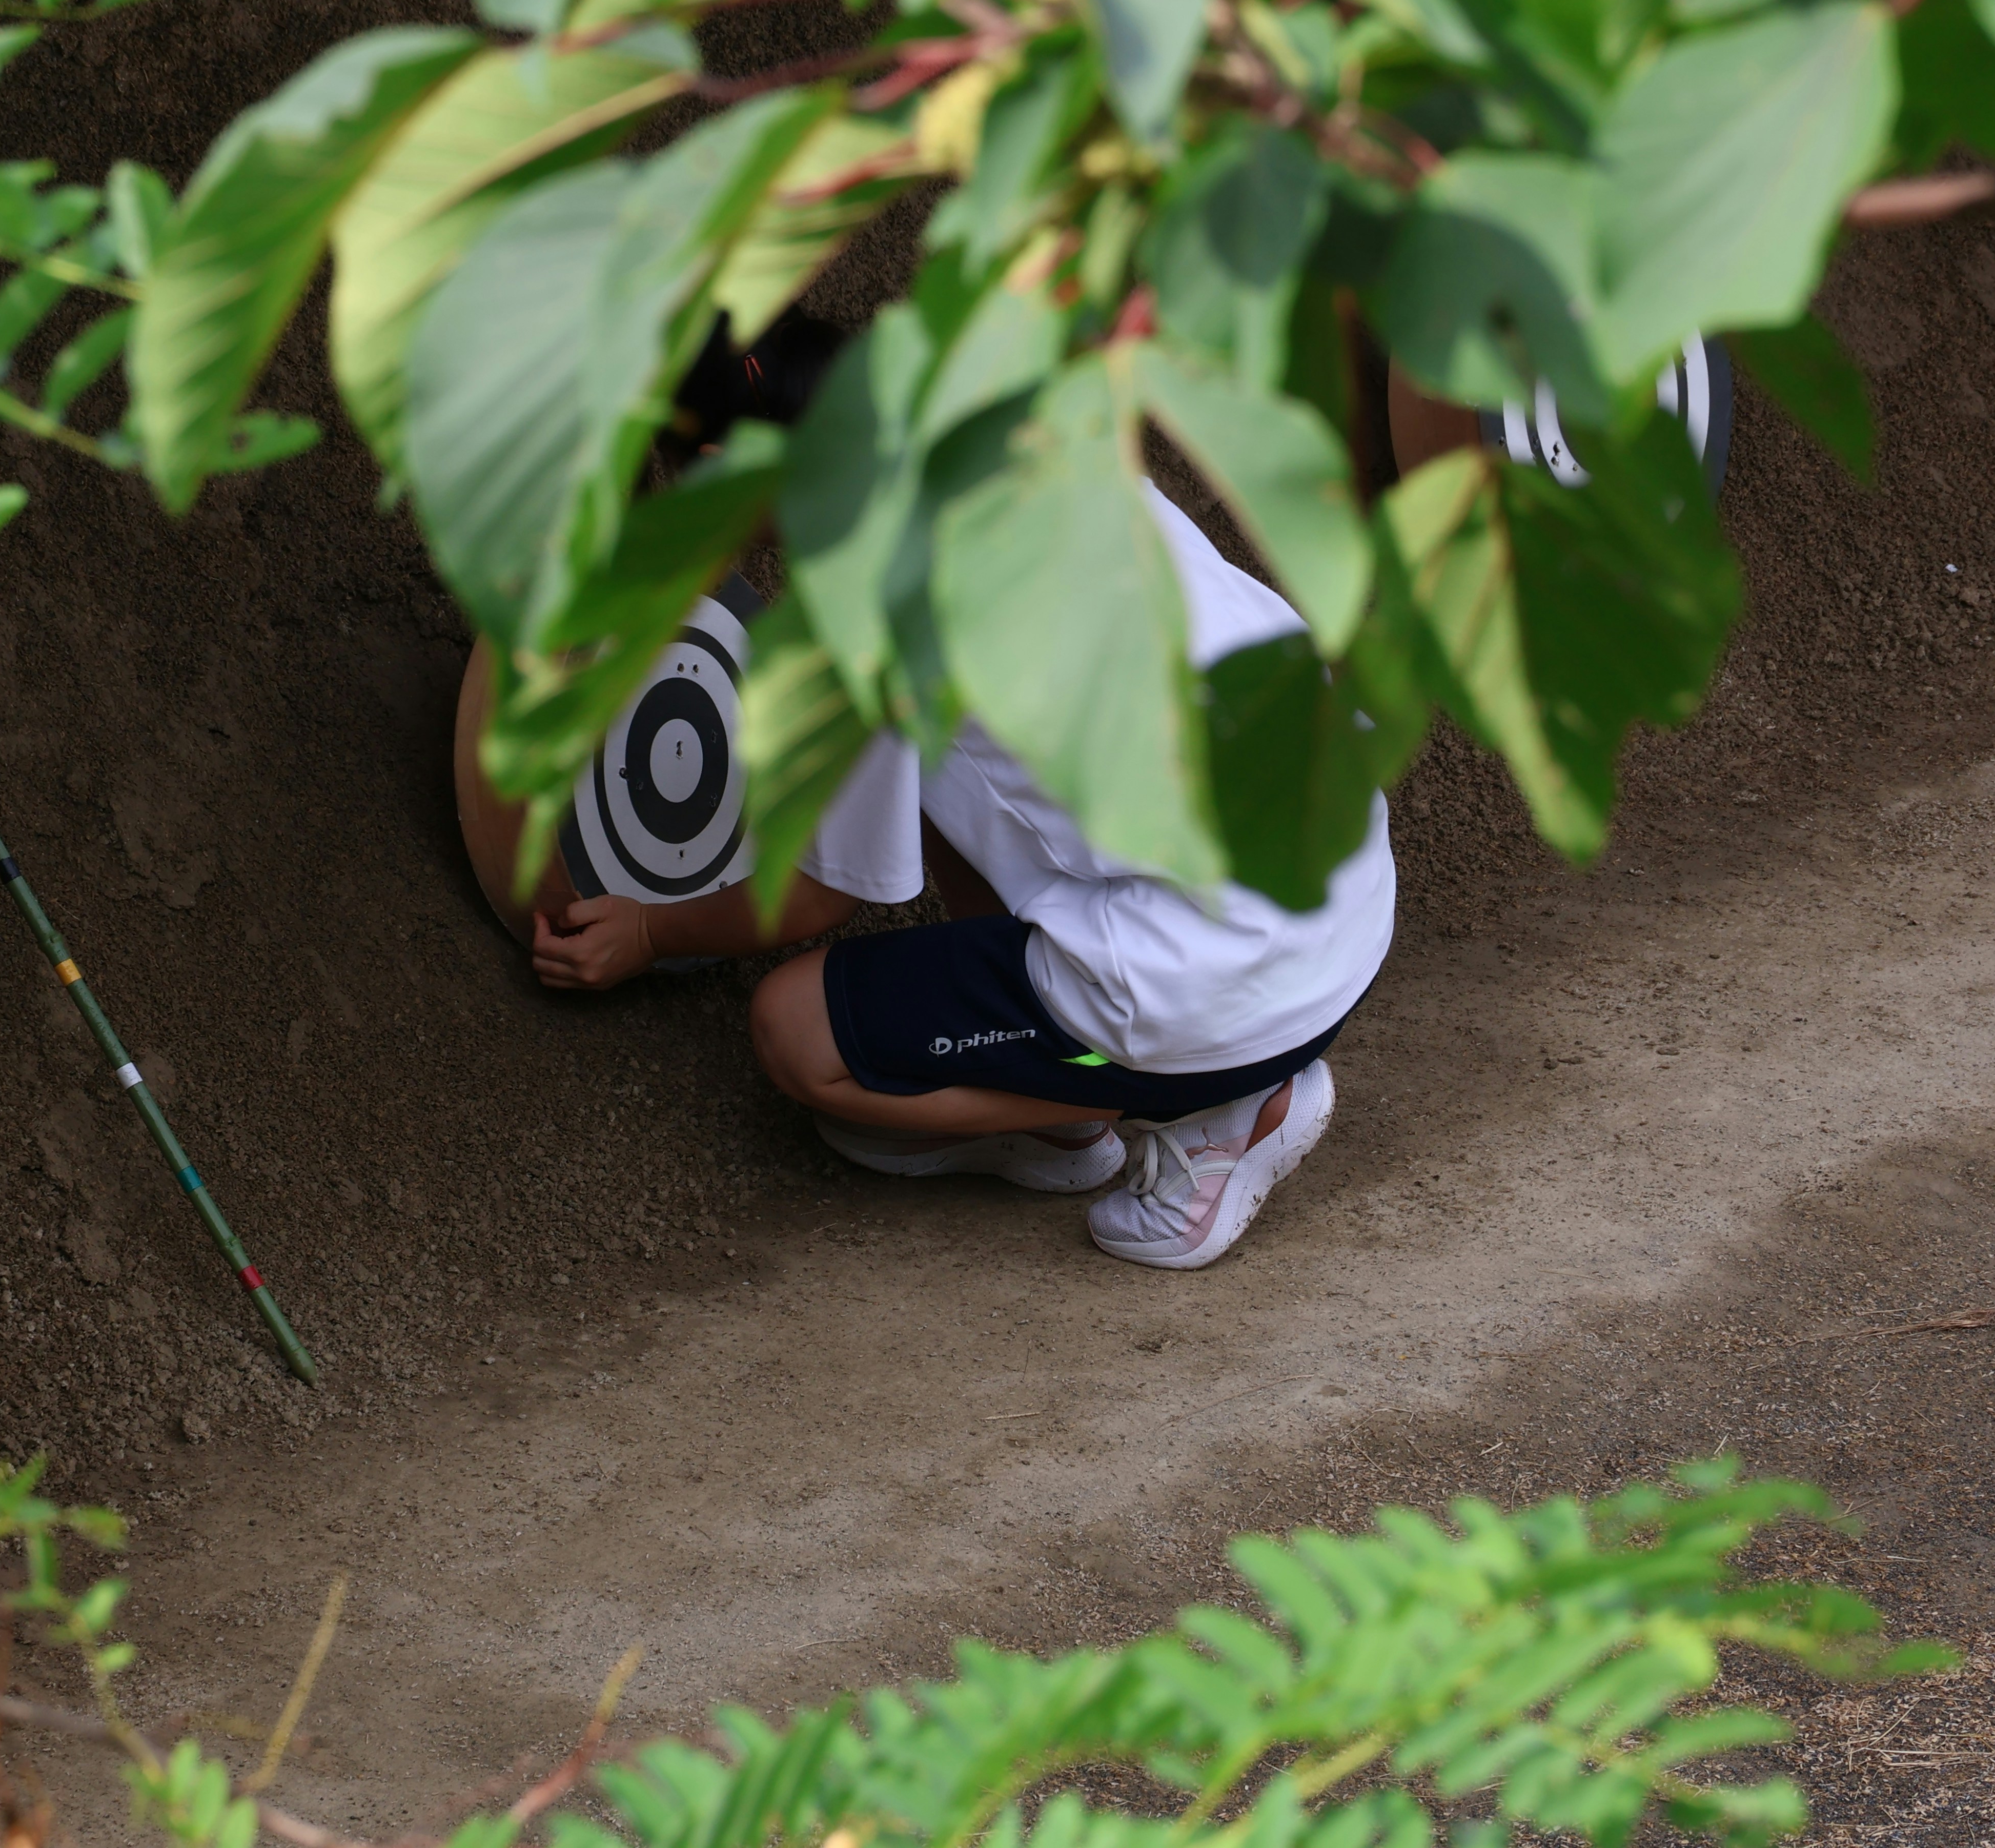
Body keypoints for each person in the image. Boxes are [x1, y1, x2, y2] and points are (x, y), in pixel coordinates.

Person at [530, 369, 1391, 1273]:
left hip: (1229, 983)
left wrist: (646, 930)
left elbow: (811, 902)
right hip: (1344, 900)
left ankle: (1182, 1113)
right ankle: (1088, 1090)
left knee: (799, 1038)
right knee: (950, 765)